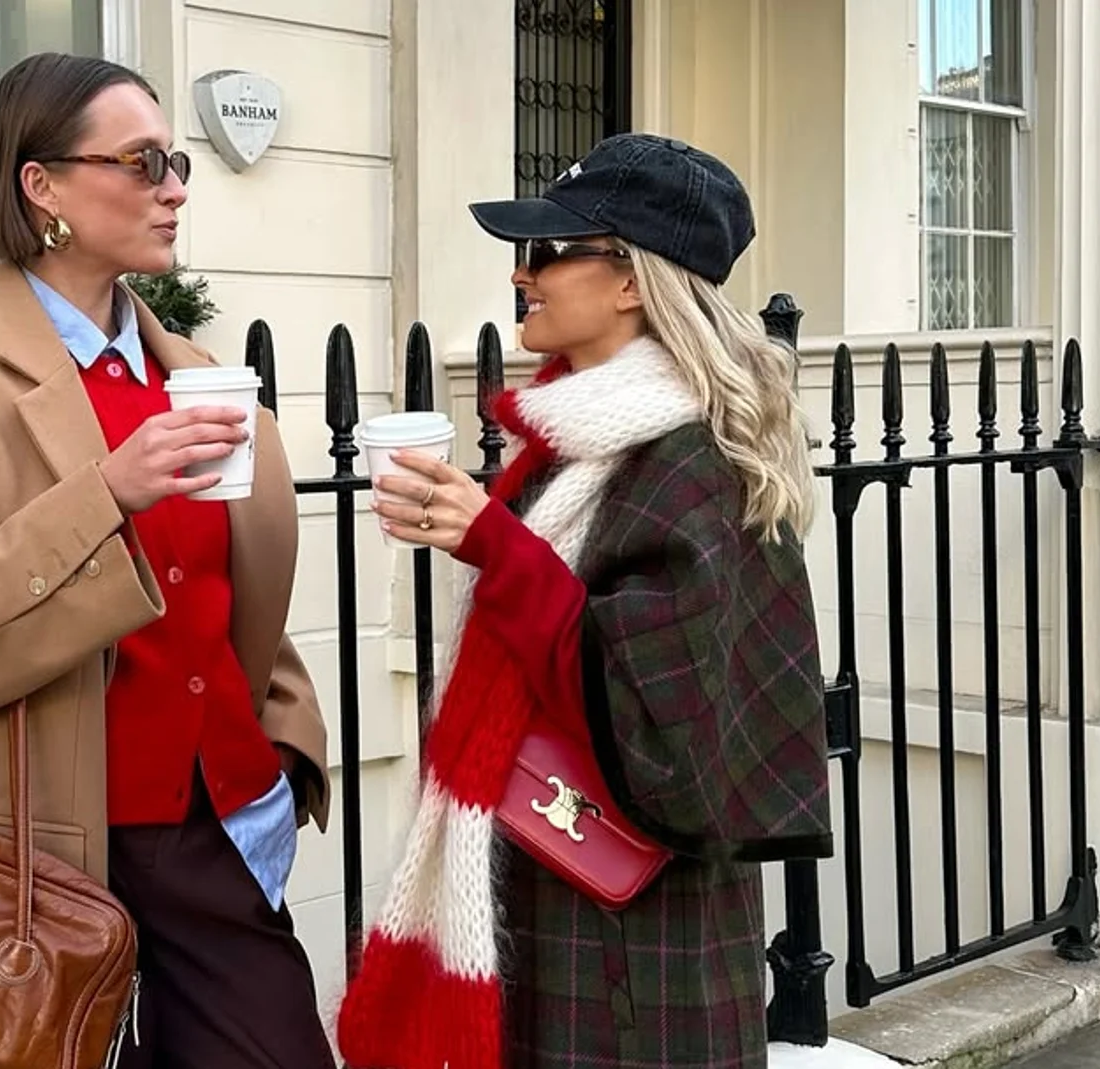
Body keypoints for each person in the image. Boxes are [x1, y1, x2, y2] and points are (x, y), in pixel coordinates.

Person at [0, 52, 337, 1069]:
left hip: (214, 836)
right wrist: (105, 492)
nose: (174, 188)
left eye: (175, 161)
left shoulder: (199, 379)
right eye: (140, 162)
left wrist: (282, 744)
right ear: (40, 185)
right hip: (24, 863)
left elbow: (227, 601)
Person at [333, 133, 834, 1069]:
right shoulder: (580, 441)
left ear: (632, 280)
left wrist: (495, 543)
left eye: (549, 251)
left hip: (634, 931)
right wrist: (489, 537)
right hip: (563, 881)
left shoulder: (690, 455)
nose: (521, 274)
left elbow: (653, 710)